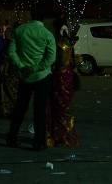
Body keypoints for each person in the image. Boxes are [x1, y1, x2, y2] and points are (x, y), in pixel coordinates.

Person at [6, 10, 56, 151]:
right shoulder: (47, 34)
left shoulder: (19, 30)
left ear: (31, 16)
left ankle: (12, 137)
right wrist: (37, 68)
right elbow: (51, 58)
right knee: (40, 110)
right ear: (43, 19)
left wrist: (22, 66)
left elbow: (11, 52)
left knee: (20, 108)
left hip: (24, 76)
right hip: (41, 76)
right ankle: (38, 142)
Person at [46, 16, 79, 148]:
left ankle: (59, 134)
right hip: (63, 78)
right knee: (60, 107)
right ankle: (60, 134)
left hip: (61, 78)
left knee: (59, 107)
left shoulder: (60, 43)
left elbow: (59, 61)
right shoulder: (64, 43)